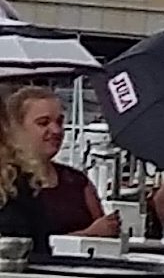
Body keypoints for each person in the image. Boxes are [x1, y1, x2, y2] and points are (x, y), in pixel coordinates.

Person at [0, 83, 117, 259]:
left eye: (60, 122)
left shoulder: (77, 181)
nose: (56, 130)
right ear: (16, 127)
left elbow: (106, 239)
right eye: (43, 123)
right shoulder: (11, 182)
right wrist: (87, 235)